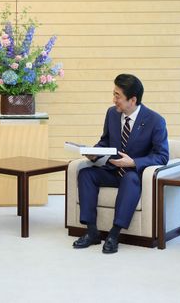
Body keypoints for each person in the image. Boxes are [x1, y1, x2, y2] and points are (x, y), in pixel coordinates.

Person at [72, 73, 169, 254]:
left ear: (132, 100)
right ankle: (92, 231)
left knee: (130, 180)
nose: (114, 99)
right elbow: (105, 141)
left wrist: (133, 162)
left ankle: (114, 234)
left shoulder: (155, 121)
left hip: (133, 173)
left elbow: (162, 156)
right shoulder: (112, 114)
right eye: (114, 94)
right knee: (86, 173)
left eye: (118, 96)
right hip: (111, 170)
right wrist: (94, 153)